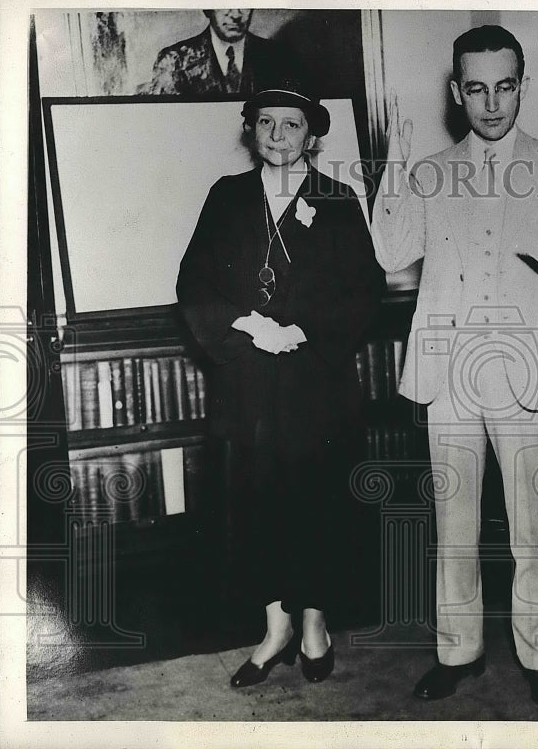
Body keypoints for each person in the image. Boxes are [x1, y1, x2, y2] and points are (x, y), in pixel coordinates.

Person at [370, 25, 538, 708]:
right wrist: (395, 161)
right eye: (477, 88)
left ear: (522, 86)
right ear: (456, 92)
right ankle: (458, 650)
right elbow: (389, 253)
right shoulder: (430, 172)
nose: (492, 102)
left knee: (536, 527)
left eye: (505, 87)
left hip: (535, 373)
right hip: (450, 375)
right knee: (453, 526)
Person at [176, 81, 384, 687]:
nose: (277, 136)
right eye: (265, 123)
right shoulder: (227, 197)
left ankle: (315, 625)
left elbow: (363, 290)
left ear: (311, 133)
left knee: (318, 504)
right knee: (255, 506)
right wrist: (245, 325)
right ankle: (276, 629)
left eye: (290, 125)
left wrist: (301, 332)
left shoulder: (339, 199)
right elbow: (194, 280)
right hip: (247, 377)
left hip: (315, 382)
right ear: (251, 130)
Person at [146, 9, 300, 95]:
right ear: (207, 9)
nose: (235, 15)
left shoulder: (279, 57)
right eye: (225, 4)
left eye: (244, 4)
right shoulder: (175, 61)